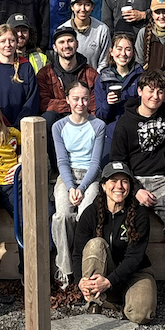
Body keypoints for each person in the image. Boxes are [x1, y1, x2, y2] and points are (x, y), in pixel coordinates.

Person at [109, 69, 165, 298]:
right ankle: (119, 276)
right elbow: (117, 162)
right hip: (133, 181)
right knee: (121, 224)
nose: (155, 96)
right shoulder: (125, 123)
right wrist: (135, 190)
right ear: (140, 91)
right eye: (151, 91)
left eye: (160, 92)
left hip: (164, 180)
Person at [73, 160, 157, 323]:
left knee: (141, 315)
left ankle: (119, 301)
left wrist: (109, 281)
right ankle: (95, 301)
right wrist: (80, 281)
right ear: (103, 186)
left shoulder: (139, 214)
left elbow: (135, 257)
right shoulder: (90, 213)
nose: (119, 186)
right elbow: (78, 253)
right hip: (104, 273)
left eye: (124, 181)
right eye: (113, 181)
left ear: (130, 186)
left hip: (135, 273)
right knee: (95, 244)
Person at [51, 82, 106, 289]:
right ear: (67, 100)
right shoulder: (59, 127)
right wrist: (70, 187)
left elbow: (95, 162)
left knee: (85, 215)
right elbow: (62, 160)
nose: (80, 103)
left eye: (84, 98)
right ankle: (65, 268)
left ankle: (86, 266)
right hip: (67, 176)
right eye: (75, 99)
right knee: (62, 216)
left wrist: (81, 188)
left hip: (90, 177)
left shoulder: (98, 125)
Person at [37, 24, 99, 146]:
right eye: (61, 42)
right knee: (48, 117)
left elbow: (95, 102)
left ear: (77, 44)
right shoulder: (45, 73)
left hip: (84, 118)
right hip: (58, 120)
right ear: (55, 47)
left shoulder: (90, 73)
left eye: (70, 41)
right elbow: (44, 102)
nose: (66, 45)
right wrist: (73, 105)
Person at [0, 23, 40, 127]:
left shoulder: (26, 67)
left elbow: (32, 100)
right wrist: (2, 124)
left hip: (23, 127)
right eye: (3, 41)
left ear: (16, 43)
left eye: (11, 40)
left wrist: (18, 125)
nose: (8, 45)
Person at [94, 31, 143, 146]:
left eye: (128, 49)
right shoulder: (102, 78)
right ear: (111, 51)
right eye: (119, 49)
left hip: (136, 129)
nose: (123, 54)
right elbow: (100, 116)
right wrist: (108, 103)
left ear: (133, 52)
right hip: (111, 132)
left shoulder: (141, 76)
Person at [69, 0, 110, 71]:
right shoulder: (63, 30)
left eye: (87, 5)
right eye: (79, 4)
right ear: (72, 7)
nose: (83, 9)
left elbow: (105, 61)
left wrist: (96, 77)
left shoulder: (102, 29)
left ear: (92, 7)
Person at [135, 0, 165, 72]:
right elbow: (138, 63)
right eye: (157, 12)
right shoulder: (143, 33)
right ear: (152, 15)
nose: (161, 16)